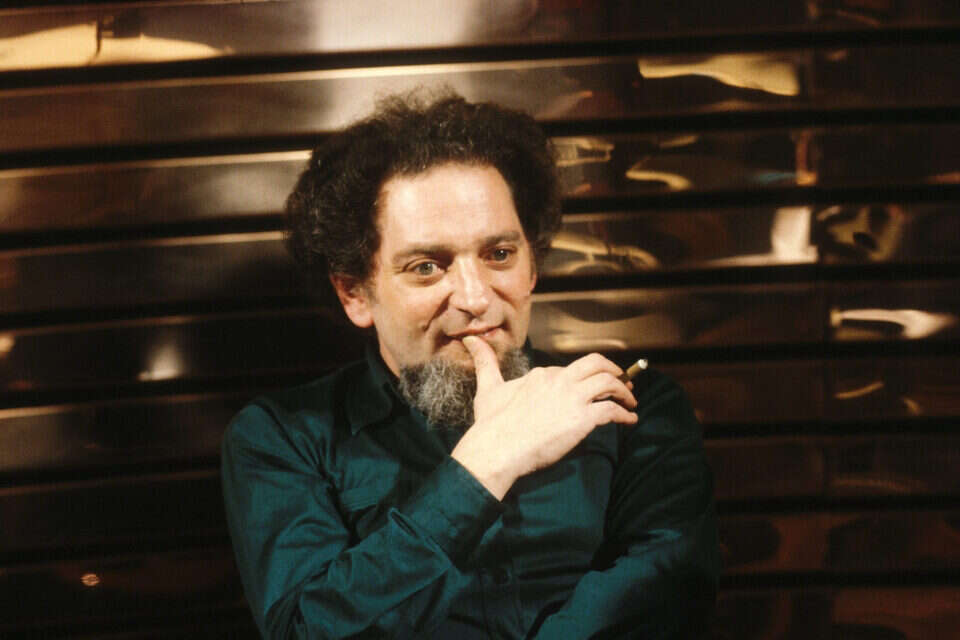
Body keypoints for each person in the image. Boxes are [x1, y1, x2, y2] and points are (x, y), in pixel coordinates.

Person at [221, 92, 719, 639]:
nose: (476, 298)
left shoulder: (633, 406)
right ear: (355, 294)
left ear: (533, 266)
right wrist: (486, 465)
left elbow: (663, 601)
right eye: (427, 267)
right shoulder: (283, 439)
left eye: (499, 255)